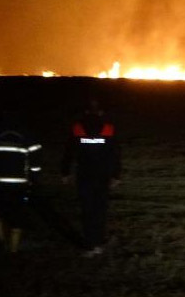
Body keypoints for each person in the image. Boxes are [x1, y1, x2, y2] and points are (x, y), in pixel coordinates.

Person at [0, 111, 42, 253]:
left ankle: (1, 241)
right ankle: (13, 250)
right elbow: (36, 160)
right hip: (19, 182)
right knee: (18, 215)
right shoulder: (28, 135)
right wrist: (34, 178)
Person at [62, 99, 121, 258]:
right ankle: (99, 243)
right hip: (103, 176)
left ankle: (90, 245)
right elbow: (115, 154)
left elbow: (69, 153)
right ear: (101, 112)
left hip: (84, 175)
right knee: (100, 210)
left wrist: (65, 173)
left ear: (85, 112)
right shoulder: (109, 128)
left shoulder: (77, 128)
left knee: (87, 210)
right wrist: (116, 175)